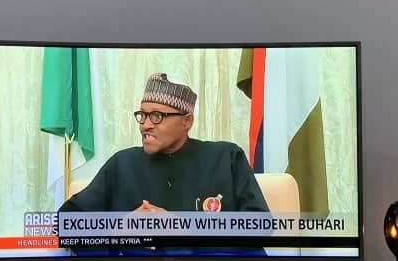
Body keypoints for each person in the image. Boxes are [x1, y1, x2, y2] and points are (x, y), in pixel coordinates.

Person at [59, 73, 269, 215]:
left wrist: (180, 227)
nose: (145, 125)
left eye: (157, 116)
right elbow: (66, 221)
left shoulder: (226, 158)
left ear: (187, 121)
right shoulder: (123, 164)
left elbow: (259, 225)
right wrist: (121, 228)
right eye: (142, 115)